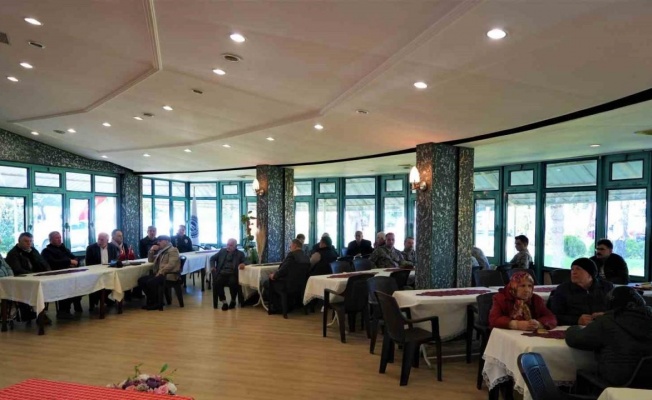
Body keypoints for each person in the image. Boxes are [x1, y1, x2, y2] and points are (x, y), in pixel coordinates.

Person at [565, 286, 652, 387]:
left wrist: (573, 328)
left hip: (618, 383)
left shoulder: (607, 322)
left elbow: (576, 339)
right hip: (647, 384)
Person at [550, 258, 613, 326]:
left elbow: (618, 310)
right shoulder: (563, 289)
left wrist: (606, 315)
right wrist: (576, 320)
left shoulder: (607, 287)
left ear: (590, 273)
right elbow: (553, 316)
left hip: (603, 326)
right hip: (574, 328)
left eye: (578, 269)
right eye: (572, 269)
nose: (573, 272)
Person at [489, 271, 557, 331]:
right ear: (514, 286)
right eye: (522, 286)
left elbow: (551, 317)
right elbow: (494, 320)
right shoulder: (501, 298)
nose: (527, 290)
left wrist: (538, 324)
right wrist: (517, 324)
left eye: (530, 286)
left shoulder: (536, 299)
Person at [5, 232, 50, 323]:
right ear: (19, 241)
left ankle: (40, 312)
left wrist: (47, 271)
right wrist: (33, 274)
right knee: (36, 291)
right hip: (22, 281)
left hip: (37, 277)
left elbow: (43, 262)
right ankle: (39, 314)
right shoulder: (13, 253)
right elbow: (17, 269)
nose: (29, 243)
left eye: (30, 241)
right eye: (26, 241)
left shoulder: (33, 250)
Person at [41, 231, 81, 318]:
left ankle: (75, 303)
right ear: (51, 240)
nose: (59, 240)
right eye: (57, 238)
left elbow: (74, 257)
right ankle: (63, 311)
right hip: (56, 276)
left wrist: (75, 262)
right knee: (66, 286)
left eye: (60, 238)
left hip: (69, 274)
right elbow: (53, 263)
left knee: (80, 284)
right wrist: (69, 262)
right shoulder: (46, 251)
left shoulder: (64, 249)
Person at [265, 239, 310, 315]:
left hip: (287, 285)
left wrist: (274, 276)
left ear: (295, 245)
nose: (290, 247)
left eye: (291, 245)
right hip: (301, 285)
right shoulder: (306, 257)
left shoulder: (292, 255)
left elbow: (283, 270)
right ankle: (287, 305)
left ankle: (278, 307)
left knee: (267, 283)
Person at [138, 235, 181, 310]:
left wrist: (161, 272)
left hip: (168, 275)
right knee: (141, 280)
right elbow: (150, 260)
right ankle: (154, 300)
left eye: (160, 241)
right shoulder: (162, 250)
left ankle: (156, 303)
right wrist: (151, 250)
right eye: (158, 241)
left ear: (166, 241)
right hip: (161, 274)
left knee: (150, 282)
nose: (158, 243)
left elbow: (171, 264)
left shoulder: (173, 250)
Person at [86, 233, 120, 309]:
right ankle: (104, 300)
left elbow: (115, 260)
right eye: (98, 239)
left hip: (109, 272)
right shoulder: (91, 248)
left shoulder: (113, 247)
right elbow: (88, 264)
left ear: (107, 240)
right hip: (96, 274)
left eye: (102, 240)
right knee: (97, 285)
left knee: (115, 282)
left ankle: (105, 299)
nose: (99, 241)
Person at [209, 238, 246, 310]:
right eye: (227, 245)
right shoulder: (222, 251)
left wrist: (243, 264)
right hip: (222, 273)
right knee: (217, 282)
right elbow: (212, 258)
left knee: (233, 282)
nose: (228, 247)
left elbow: (246, 261)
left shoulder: (240, 254)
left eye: (231, 245)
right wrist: (212, 266)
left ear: (235, 246)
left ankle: (233, 300)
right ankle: (224, 302)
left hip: (233, 273)